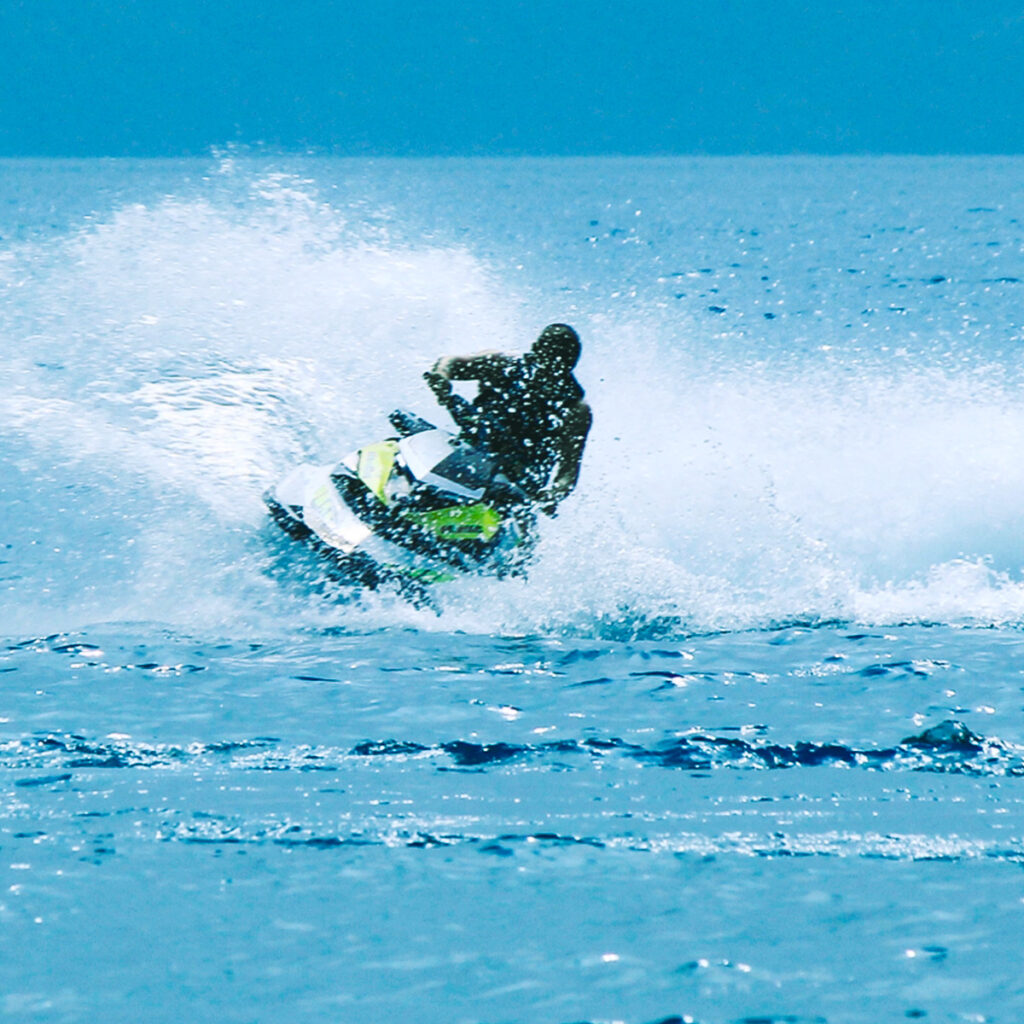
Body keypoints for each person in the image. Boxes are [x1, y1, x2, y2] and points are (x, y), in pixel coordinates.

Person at [423, 323, 592, 515]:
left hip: (517, 484)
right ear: (535, 349)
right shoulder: (502, 363)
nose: (552, 369)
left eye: (561, 363)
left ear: (572, 364)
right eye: (548, 358)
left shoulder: (575, 410)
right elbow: (450, 363)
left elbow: (567, 475)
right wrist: (441, 378)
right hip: (472, 451)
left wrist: (551, 495)